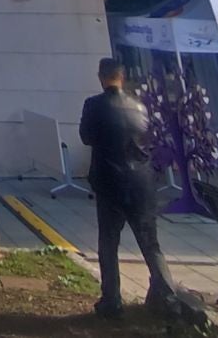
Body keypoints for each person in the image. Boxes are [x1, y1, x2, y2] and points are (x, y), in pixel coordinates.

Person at [80, 58, 176, 318]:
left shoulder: (93, 105)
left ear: (101, 77)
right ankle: (167, 296)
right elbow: (147, 138)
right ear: (121, 77)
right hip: (142, 183)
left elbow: (86, 137)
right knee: (150, 243)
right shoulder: (139, 105)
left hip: (110, 181)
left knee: (109, 242)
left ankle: (111, 301)